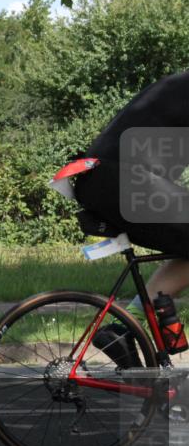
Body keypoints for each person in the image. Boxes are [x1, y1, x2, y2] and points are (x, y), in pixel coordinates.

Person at [73, 71, 189, 319]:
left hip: (104, 176)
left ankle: (126, 330)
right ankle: (127, 327)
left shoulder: (178, 83)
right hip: (124, 179)